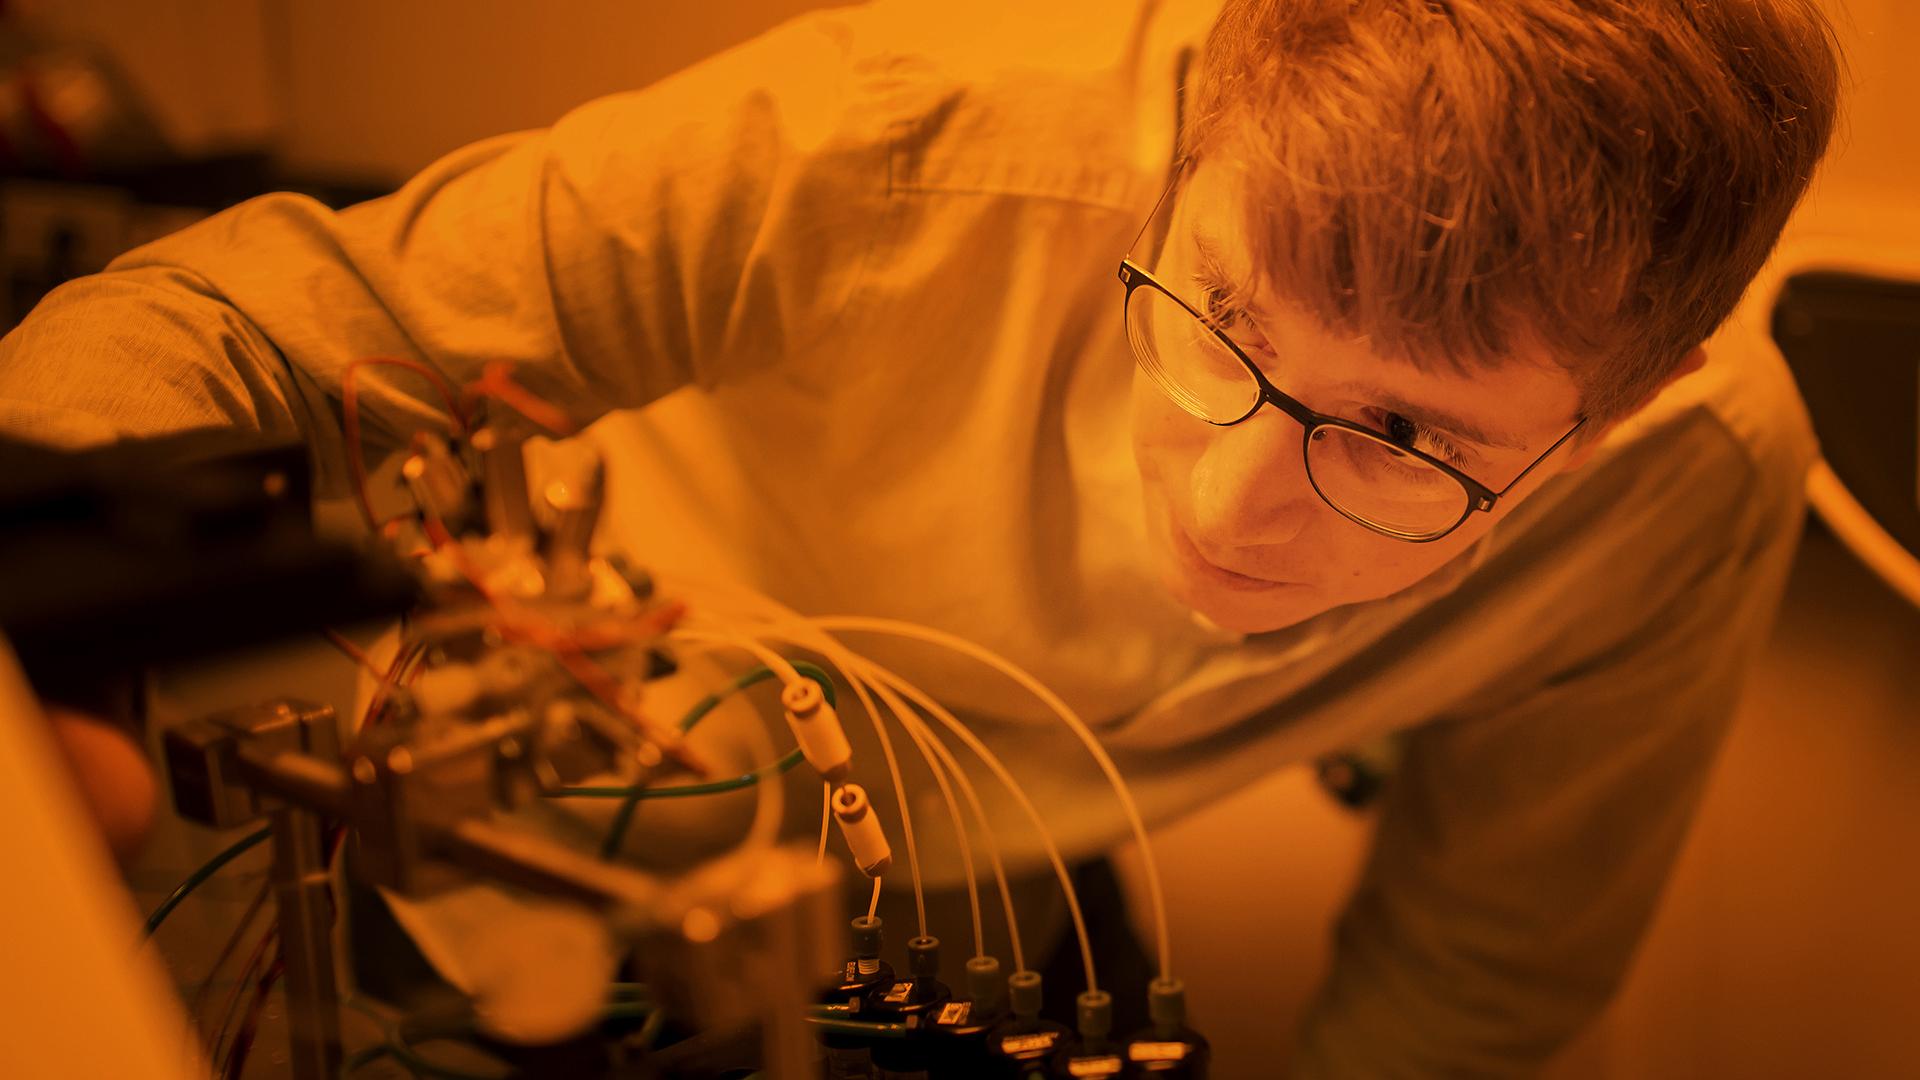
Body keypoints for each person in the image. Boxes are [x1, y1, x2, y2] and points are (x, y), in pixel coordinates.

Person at [0, 0, 1839, 1073]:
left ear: (1636, 403)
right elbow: (245, 321)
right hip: (494, 832)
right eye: (1223, 322)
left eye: (1406, 440)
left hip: (970, 919)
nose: (1218, 505)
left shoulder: (1697, 486)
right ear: (1202, 140)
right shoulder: (897, 139)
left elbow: (1477, 991)